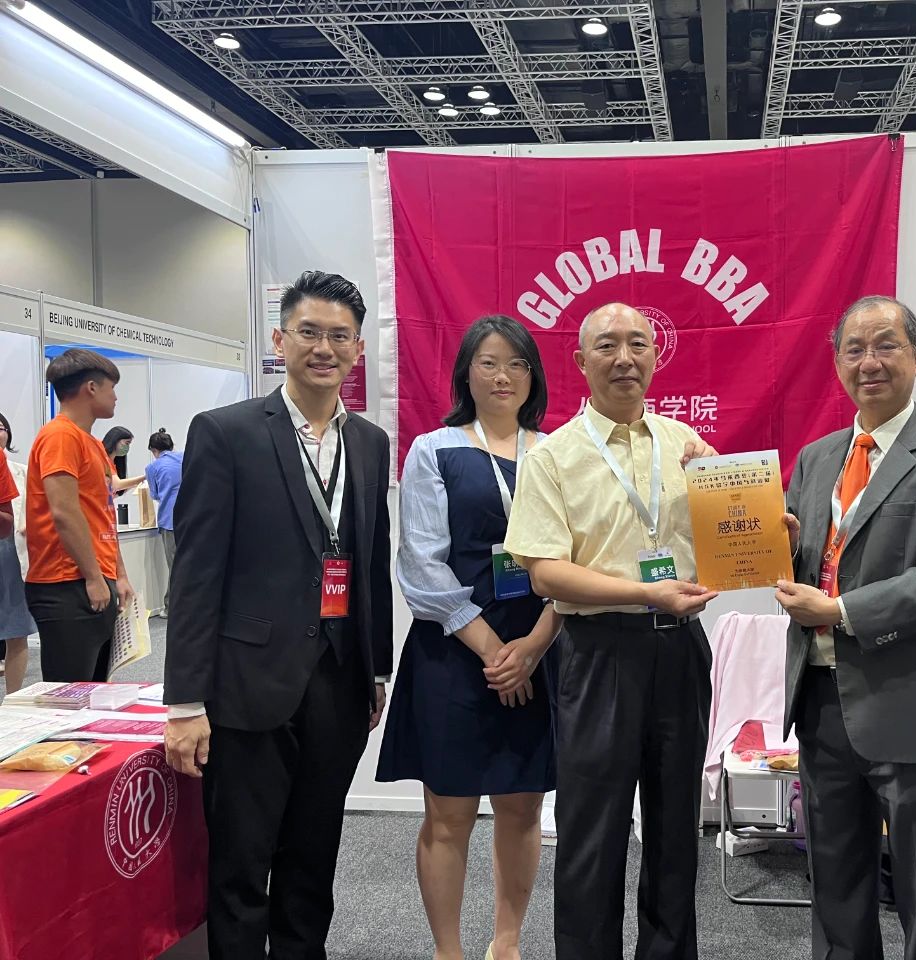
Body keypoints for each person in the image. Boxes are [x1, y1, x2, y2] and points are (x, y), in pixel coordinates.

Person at [162, 270, 393, 960]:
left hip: (339, 682)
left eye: (340, 336)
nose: (325, 348)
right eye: (309, 332)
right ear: (279, 340)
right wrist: (184, 702)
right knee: (242, 864)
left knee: (313, 858)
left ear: (358, 349)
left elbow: (369, 560)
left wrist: (376, 668)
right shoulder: (227, 432)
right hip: (246, 682)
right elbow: (196, 573)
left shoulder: (370, 441)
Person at [775, 295, 916, 960]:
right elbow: (811, 564)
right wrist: (774, 551)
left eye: (885, 346)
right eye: (854, 349)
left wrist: (840, 612)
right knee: (835, 884)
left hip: (914, 703)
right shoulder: (816, 458)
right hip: (821, 703)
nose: (869, 362)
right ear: (837, 363)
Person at [504, 302, 718, 960]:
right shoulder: (553, 457)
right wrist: (644, 591)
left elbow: (728, 537)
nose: (625, 358)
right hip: (599, 654)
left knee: (676, 827)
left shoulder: (687, 445)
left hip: (681, 651)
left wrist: (770, 527)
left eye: (638, 344)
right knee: (592, 833)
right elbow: (545, 573)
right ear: (580, 361)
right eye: (607, 346)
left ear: (655, 355)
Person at [378, 315, 560, 960]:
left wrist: (531, 647)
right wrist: (493, 651)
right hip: (455, 651)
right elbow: (421, 564)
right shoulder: (434, 449)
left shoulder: (557, 452)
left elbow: (581, 555)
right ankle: (448, 951)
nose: (503, 375)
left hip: (538, 646)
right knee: (449, 812)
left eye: (517, 363)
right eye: (488, 362)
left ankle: (506, 943)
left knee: (521, 807)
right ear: (466, 374)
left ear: (533, 375)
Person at [24, 349, 135, 682]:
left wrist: (119, 574)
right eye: (112, 388)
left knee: (96, 691)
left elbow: (103, 513)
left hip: (93, 577)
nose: (115, 397)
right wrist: (93, 577)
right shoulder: (60, 436)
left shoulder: (93, 444)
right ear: (91, 388)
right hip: (67, 582)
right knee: (69, 697)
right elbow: (64, 512)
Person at [0, 412, 36, 695]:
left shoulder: (21, 471)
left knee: (16, 628)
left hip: (11, 551)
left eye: (2, 427)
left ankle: (11, 699)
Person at [143, 427, 183, 618]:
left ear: (153, 450)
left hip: (170, 519)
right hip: (192, 517)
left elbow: (155, 494)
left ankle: (171, 607)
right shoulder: (185, 457)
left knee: (175, 565)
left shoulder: (152, 468)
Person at [100, 426, 146, 497]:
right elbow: (117, 485)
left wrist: (138, 483)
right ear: (115, 441)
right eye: (127, 443)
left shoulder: (114, 463)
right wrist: (145, 477)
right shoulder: (104, 460)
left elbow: (115, 492)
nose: (127, 447)